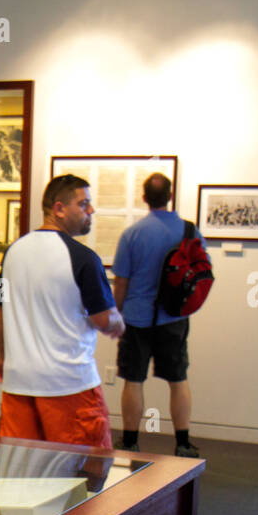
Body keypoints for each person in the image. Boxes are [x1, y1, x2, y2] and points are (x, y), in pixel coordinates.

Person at [0, 173, 124, 450]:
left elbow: (1, 311)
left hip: (19, 384)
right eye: (84, 204)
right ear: (59, 209)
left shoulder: (13, 253)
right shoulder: (83, 258)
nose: (91, 211)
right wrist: (118, 322)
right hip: (69, 386)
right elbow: (103, 318)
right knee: (84, 472)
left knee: (22, 471)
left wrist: (3, 357)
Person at [111, 173, 202, 458]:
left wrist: (116, 313)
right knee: (178, 378)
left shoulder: (132, 234)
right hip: (174, 317)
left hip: (137, 318)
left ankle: (130, 440)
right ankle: (183, 442)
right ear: (171, 196)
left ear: (144, 197)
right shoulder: (189, 231)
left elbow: (121, 281)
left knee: (133, 379)